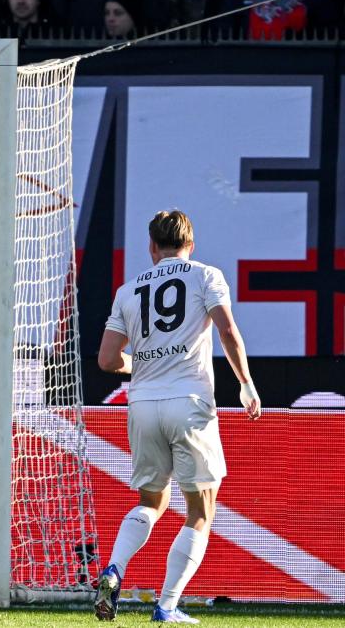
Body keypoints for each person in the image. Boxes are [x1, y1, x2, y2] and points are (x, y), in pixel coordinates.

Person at [94, 210, 262, 624]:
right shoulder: (206, 275)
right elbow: (227, 332)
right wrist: (246, 383)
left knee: (151, 500)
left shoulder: (127, 290)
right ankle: (166, 606)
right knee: (200, 509)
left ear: (152, 247)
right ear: (192, 243)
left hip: (143, 405)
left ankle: (114, 569)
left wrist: (148, 363)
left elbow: (107, 359)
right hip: (188, 402)